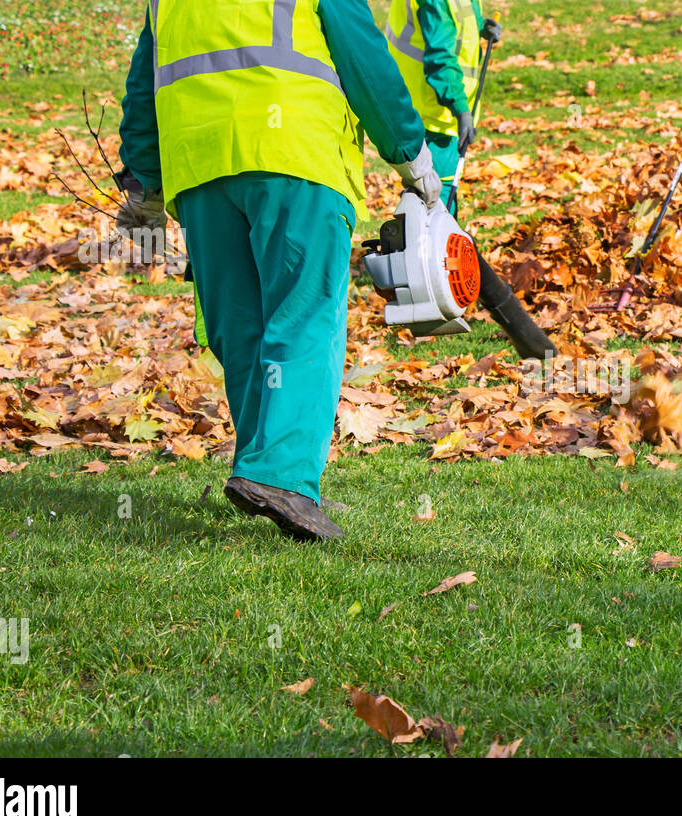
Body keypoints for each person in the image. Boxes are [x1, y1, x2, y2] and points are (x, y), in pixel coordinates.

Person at [116, 0, 442, 541]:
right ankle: (283, 477)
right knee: (304, 315)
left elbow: (144, 86)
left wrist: (145, 184)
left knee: (239, 325)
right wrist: (409, 152)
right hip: (296, 154)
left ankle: (263, 469)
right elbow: (363, 59)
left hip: (201, 168)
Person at [385, 0, 503, 215]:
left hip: (435, 111)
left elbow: (455, 21)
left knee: (433, 194)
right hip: (431, 114)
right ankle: (436, 247)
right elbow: (440, 58)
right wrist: (461, 109)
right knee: (436, 199)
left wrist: (479, 26)